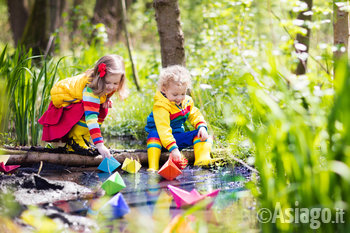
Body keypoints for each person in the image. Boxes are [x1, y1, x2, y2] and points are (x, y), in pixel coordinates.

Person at [39, 54, 128, 158]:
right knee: (84, 110)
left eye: (115, 83)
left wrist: (107, 99)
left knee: (103, 109)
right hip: (65, 101)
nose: (111, 87)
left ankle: (84, 139)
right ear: (100, 78)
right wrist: (100, 145)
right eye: (108, 82)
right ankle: (75, 141)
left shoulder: (108, 85)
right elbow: (91, 118)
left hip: (81, 98)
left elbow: (110, 89)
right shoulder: (91, 91)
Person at [145, 65, 213, 171]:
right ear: (164, 90)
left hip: (176, 138)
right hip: (161, 140)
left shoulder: (186, 101)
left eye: (183, 93)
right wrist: (173, 149)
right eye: (175, 94)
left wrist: (201, 126)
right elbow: (163, 129)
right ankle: (153, 167)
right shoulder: (161, 105)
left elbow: (194, 114)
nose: (179, 98)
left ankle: (202, 162)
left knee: (202, 134)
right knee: (154, 134)